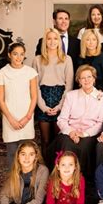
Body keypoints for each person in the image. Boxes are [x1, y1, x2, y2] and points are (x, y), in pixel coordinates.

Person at [54, 65, 103, 178]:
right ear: (79, 81)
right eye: (83, 78)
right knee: (66, 144)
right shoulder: (71, 95)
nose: (86, 80)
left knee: (84, 146)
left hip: (90, 134)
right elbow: (62, 119)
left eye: (89, 77)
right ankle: (64, 179)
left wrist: (84, 134)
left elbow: (101, 122)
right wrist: (71, 132)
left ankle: (83, 179)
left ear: (94, 79)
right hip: (69, 132)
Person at [33, 28, 74, 161]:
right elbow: (35, 85)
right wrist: (43, 107)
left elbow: (69, 86)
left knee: (58, 139)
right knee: (45, 139)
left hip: (60, 97)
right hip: (43, 98)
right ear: (45, 41)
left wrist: (60, 106)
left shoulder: (67, 59)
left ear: (59, 41)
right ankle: (45, 167)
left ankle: (57, 169)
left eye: (55, 38)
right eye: (49, 39)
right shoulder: (37, 60)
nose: (52, 41)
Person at [32, 151, 96, 204]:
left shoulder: (80, 180)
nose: (67, 168)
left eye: (70, 164)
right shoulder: (53, 181)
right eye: (63, 165)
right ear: (58, 166)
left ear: (75, 167)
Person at [0, 43, 38, 167]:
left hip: (26, 117)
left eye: (21, 54)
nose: (18, 57)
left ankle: (28, 182)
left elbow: (34, 96)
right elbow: (1, 100)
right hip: (10, 118)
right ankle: (13, 183)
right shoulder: (2, 73)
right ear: (9, 55)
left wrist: (28, 117)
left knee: (27, 153)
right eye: (15, 54)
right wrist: (11, 119)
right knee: (12, 153)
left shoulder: (31, 72)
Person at [78, 29, 103, 93]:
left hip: (99, 92)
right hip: (82, 92)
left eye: (94, 39)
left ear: (97, 41)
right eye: (88, 40)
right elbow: (78, 79)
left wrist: (95, 91)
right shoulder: (80, 58)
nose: (91, 42)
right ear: (83, 42)